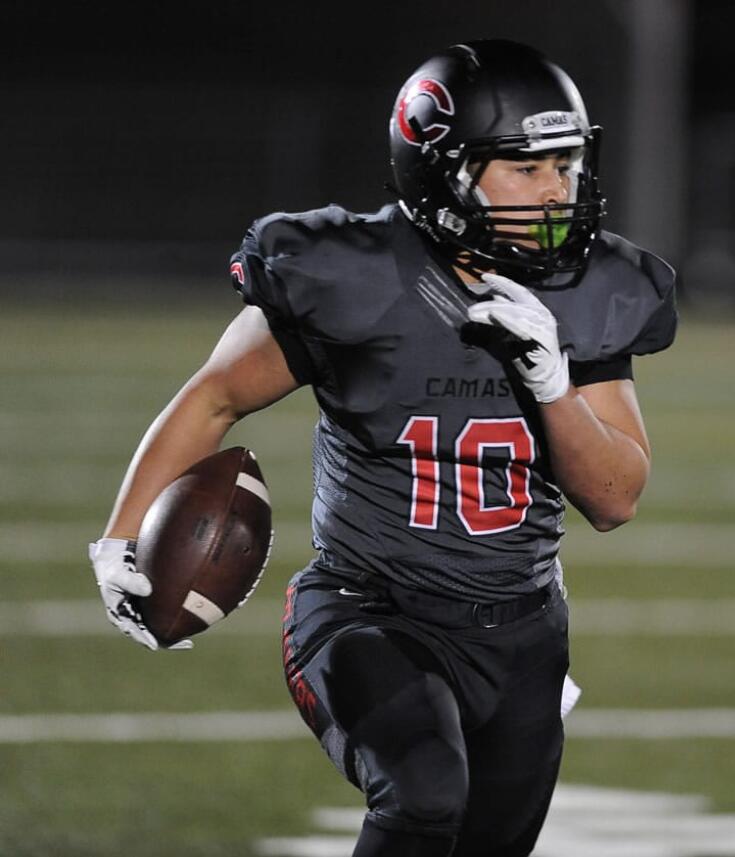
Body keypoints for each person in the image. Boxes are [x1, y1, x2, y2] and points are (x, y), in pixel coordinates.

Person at [88, 39, 677, 857]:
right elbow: (215, 395)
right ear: (446, 172)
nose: (556, 192)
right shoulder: (354, 275)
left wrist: (555, 388)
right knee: (424, 792)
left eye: (568, 165)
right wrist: (121, 537)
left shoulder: (595, 292)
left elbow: (616, 498)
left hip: (522, 633)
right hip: (372, 609)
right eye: (527, 168)